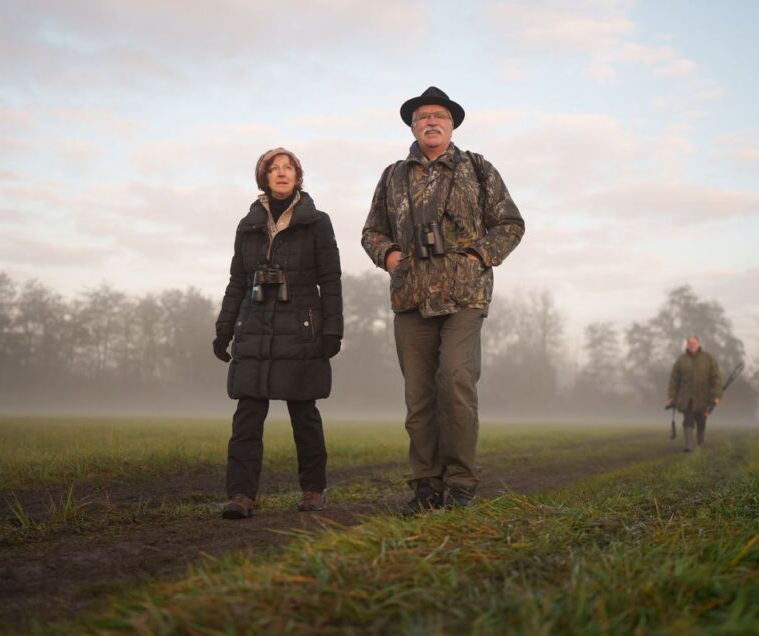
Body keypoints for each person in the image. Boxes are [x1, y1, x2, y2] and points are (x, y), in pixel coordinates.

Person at [361, 86, 525, 514]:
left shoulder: (477, 168)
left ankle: (460, 484)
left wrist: (477, 257)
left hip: (464, 296)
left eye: (440, 116)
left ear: (452, 125)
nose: (431, 122)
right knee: (418, 397)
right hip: (411, 297)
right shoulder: (393, 175)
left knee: (454, 381)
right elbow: (371, 232)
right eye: (422, 117)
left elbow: (509, 223)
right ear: (412, 127)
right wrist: (390, 256)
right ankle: (426, 487)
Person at [212, 148, 343, 519]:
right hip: (254, 326)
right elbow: (237, 281)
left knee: (304, 414)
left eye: (288, 168)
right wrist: (224, 329)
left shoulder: (317, 221)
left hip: (302, 329)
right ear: (264, 177)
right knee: (247, 417)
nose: (281, 173)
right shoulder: (248, 224)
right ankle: (240, 496)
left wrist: (333, 329)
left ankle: (313, 490)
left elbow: (330, 279)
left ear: (298, 176)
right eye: (274, 168)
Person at [666, 335, 722, 452]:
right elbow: (674, 380)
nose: (692, 345)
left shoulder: (708, 358)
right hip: (686, 398)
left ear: (698, 343)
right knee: (688, 420)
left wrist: (717, 395)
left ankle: (700, 443)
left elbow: (716, 378)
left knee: (701, 421)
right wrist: (671, 396)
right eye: (689, 343)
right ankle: (689, 446)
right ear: (687, 345)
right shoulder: (681, 360)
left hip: (704, 397)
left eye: (694, 343)